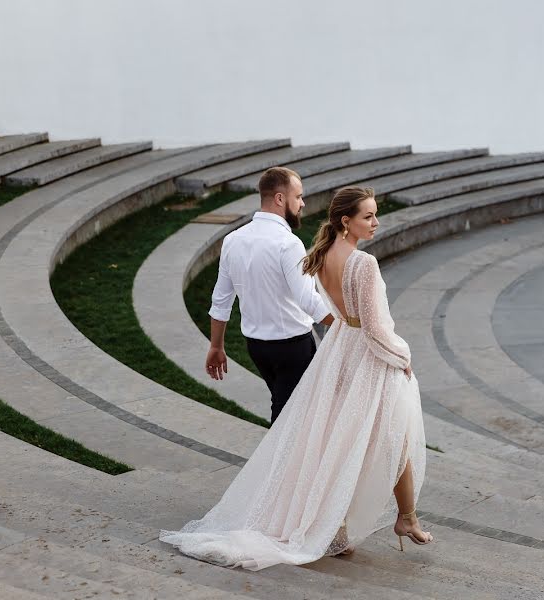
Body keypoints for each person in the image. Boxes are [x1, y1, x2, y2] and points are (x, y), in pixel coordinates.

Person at [161, 186, 432, 570]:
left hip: (340, 349)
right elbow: (373, 328)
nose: (376, 222)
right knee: (392, 437)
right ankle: (405, 518)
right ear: (345, 221)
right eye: (368, 216)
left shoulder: (320, 256)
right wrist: (402, 354)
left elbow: (336, 313)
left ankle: (341, 527)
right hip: (368, 355)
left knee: (338, 441)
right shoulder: (363, 263)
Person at [205, 167, 334, 423]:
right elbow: (309, 301)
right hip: (293, 348)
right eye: (298, 197)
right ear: (279, 199)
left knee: (291, 413)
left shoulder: (233, 240)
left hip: (257, 347)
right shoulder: (289, 244)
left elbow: (221, 301)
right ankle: (274, 464)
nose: (302, 203)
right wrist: (350, 327)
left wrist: (216, 346)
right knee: (288, 421)